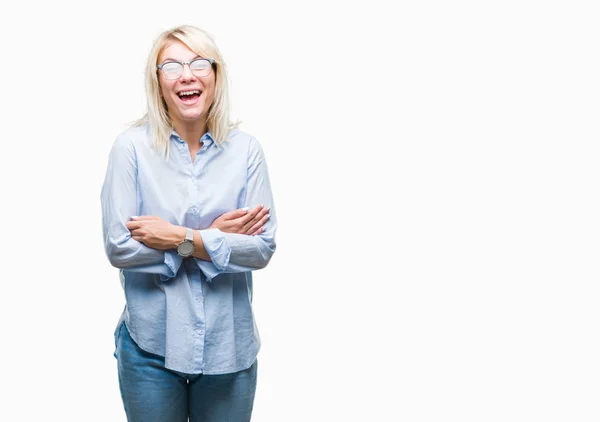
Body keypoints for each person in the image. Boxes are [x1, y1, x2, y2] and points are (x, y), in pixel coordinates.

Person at [100, 24, 277, 422]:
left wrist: (180, 237)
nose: (187, 75)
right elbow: (119, 247)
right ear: (157, 81)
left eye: (199, 63)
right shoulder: (130, 149)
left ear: (216, 75)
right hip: (150, 348)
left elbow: (261, 248)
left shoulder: (246, 151)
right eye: (171, 66)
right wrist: (217, 241)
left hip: (227, 347)